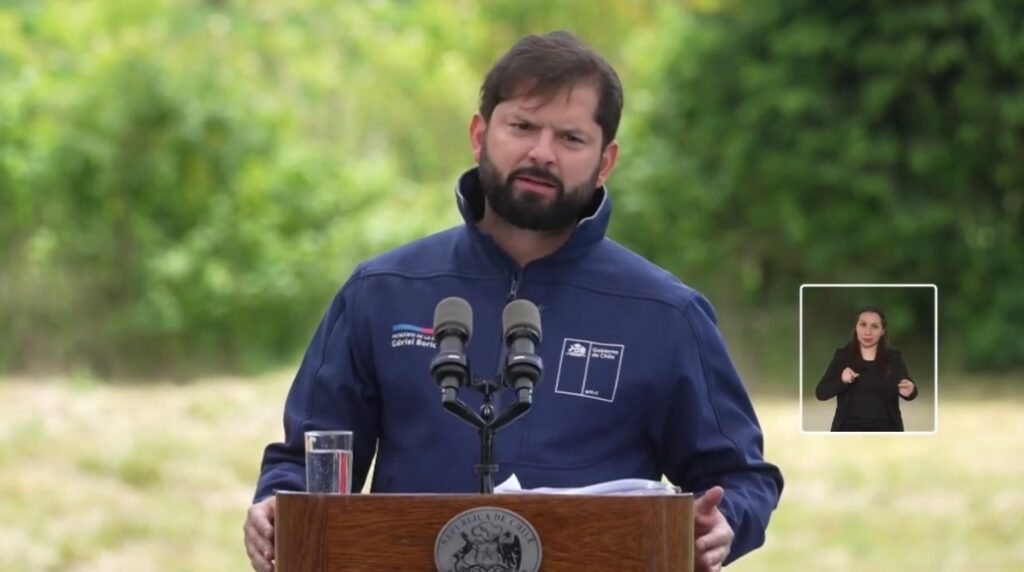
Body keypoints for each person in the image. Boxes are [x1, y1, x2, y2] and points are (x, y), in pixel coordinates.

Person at [244, 31, 783, 572]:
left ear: (605, 161)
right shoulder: (381, 291)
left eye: (571, 139)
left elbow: (739, 475)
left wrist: (726, 522)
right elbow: (308, 459)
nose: (541, 153)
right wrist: (276, 506)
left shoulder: (667, 314)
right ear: (480, 134)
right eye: (522, 126)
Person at [815, 306, 919, 431]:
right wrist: (842, 380)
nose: (868, 332)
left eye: (874, 326)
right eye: (863, 325)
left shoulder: (894, 358)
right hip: (847, 429)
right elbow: (821, 393)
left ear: (882, 331)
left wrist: (911, 390)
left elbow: (909, 390)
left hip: (887, 430)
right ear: (856, 328)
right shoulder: (843, 356)